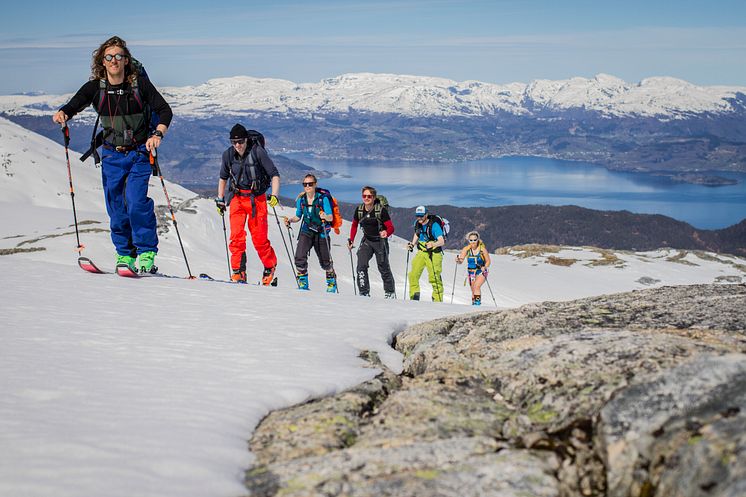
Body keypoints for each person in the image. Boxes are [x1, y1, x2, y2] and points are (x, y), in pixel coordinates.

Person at [52, 35, 172, 273]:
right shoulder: (96, 88)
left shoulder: (140, 86)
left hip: (139, 152)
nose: (114, 60)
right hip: (111, 155)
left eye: (118, 56)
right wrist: (63, 113)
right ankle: (125, 255)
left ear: (126, 60)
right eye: (109, 57)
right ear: (102, 61)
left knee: (136, 202)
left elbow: (164, 110)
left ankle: (146, 252)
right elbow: (74, 104)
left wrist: (157, 133)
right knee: (116, 206)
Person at [215, 124, 280, 284]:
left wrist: (275, 195)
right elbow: (223, 178)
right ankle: (238, 272)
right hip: (237, 197)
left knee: (259, 239)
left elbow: (274, 174)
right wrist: (220, 199)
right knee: (236, 237)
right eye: (234, 142)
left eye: (241, 141)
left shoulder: (257, 152)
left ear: (246, 140)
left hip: (256, 199)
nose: (238, 145)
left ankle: (270, 265)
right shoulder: (228, 155)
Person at [283, 174, 337, 292]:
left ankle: (331, 282)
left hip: (321, 232)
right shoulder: (302, 200)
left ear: (315, 184)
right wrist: (290, 220)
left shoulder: (323, 199)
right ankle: (303, 284)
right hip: (307, 230)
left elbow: (330, 218)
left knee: (325, 262)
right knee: (299, 256)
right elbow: (298, 216)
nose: (307, 186)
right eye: (305, 184)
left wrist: (325, 216)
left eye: (310, 184)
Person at [348, 186, 395, 298]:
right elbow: (354, 225)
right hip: (367, 240)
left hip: (380, 242)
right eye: (364, 196)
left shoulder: (381, 210)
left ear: (374, 197)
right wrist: (351, 240)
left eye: (369, 196)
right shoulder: (359, 210)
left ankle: (390, 292)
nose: (366, 198)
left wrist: (386, 233)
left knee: (383, 267)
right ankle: (364, 292)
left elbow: (391, 227)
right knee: (361, 265)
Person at [406, 205, 445, 301]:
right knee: (413, 275)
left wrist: (433, 244)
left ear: (426, 215)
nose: (419, 218)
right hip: (422, 252)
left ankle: (437, 300)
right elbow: (417, 233)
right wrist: (412, 244)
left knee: (434, 277)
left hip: (434, 253)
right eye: (417, 216)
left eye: (421, 216)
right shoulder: (417, 223)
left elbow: (442, 241)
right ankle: (414, 297)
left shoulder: (434, 225)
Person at [455, 231, 491, 306]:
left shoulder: (482, 249)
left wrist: (485, 267)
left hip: (481, 271)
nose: (473, 242)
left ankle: (477, 304)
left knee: (476, 286)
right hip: (471, 271)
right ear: (468, 240)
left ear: (478, 240)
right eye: (471, 240)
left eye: (475, 240)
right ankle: (474, 304)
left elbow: (488, 261)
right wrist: (458, 260)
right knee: (473, 289)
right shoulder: (466, 249)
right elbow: (461, 260)